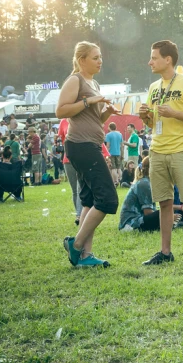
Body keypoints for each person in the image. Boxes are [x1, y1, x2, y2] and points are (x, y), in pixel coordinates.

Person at [139, 40, 183, 266]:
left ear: (168, 59)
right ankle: (165, 252)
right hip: (157, 150)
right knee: (164, 202)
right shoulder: (153, 87)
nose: (150, 62)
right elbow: (152, 123)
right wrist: (145, 117)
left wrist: (175, 113)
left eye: (154, 57)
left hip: (182, 149)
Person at [57, 41, 121, 268]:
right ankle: (76, 246)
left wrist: (106, 113)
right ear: (81, 59)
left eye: (101, 57)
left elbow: (92, 119)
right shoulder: (75, 80)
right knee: (107, 199)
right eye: (95, 57)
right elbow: (61, 110)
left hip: (91, 144)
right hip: (80, 145)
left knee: (89, 201)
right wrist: (88, 101)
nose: (100, 61)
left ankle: (86, 256)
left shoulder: (93, 82)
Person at [119, 157, 180, 232]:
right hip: (131, 223)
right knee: (163, 213)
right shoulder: (144, 183)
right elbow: (147, 212)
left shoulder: (147, 182)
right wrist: (168, 217)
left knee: (165, 213)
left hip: (138, 219)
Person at [57, 119, 81, 225]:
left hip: (82, 159)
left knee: (80, 188)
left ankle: (80, 215)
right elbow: (61, 139)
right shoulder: (63, 122)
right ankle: (79, 214)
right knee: (75, 191)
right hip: (68, 159)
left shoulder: (82, 118)